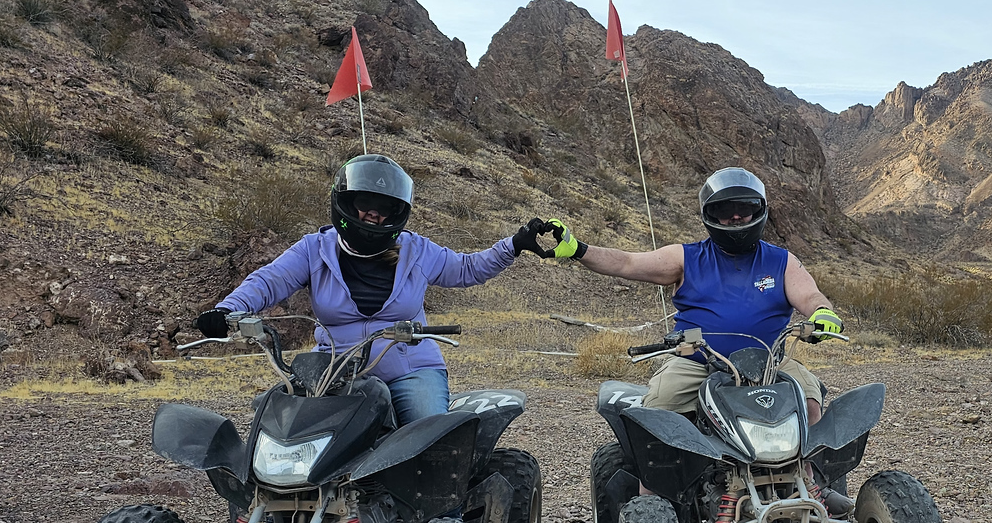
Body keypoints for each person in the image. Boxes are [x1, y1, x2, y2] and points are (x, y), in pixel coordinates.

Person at [195, 154, 560, 426]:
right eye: (365, 203)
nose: (374, 214)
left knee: (429, 442)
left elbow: (467, 269)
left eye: (385, 207)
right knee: (279, 428)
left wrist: (513, 245)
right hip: (333, 370)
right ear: (346, 201)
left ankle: (434, 508)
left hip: (410, 369)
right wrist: (228, 310)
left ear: (397, 213)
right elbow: (269, 280)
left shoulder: (416, 251)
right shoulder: (314, 249)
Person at [533, 166, 843, 423]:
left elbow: (810, 296)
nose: (736, 217)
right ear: (711, 214)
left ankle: (810, 476)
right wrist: (579, 249)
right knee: (657, 417)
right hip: (695, 363)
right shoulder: (685, 257)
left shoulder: (781, 260)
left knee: (809, 404)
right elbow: (627, 262)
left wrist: (823, 313)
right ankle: (660, 483)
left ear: (758, 210)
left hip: (770, 363)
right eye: (725, 210)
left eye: (744, 209)